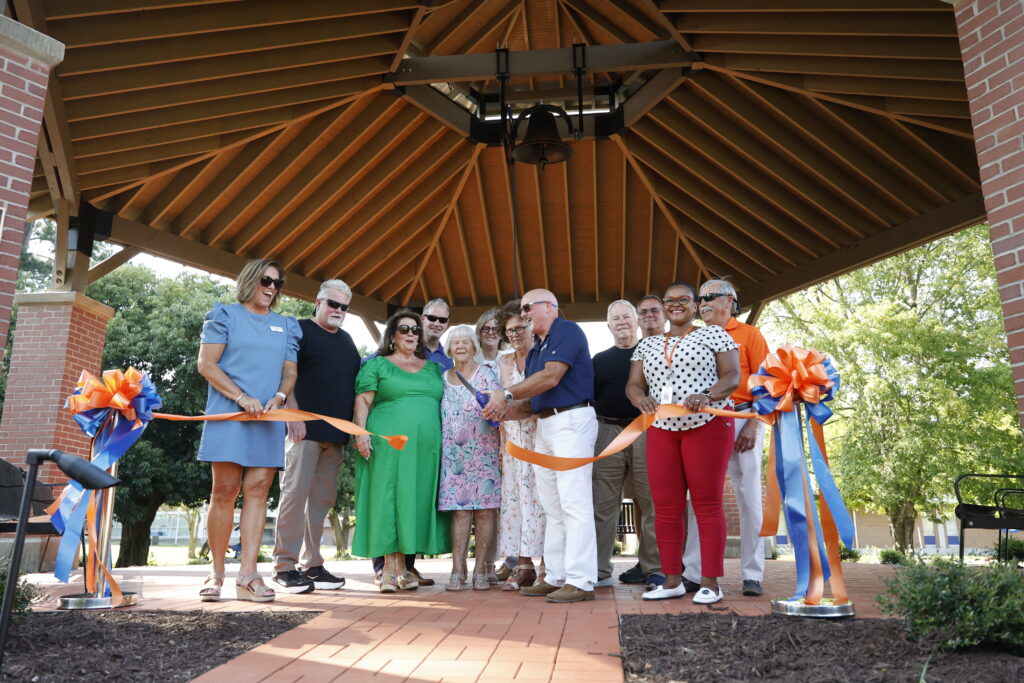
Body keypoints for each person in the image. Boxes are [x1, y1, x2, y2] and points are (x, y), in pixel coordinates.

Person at [626, 282, 739, 605]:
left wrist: (706, 396)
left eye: (683, 300)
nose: (676, 305)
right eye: (669, 301)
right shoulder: (646, 346)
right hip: (662, 427)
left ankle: (710, 582)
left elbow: (732, 377)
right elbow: (633, 384)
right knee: (665, 506)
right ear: (663, 308)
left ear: (695, 305)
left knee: (707, 503)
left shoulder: (714, 334)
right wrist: (640, 400)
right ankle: (671, 579)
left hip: (706, 424)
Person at [196, 258, 300, 603]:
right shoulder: (224, 316)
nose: (271, 288)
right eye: (265, 281)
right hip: (228, 413)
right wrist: (241, 397)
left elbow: (289, 372)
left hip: (267, 417)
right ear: (250, 281)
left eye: (277, 283)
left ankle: (249, 574)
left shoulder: (286, 326)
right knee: (224, 489)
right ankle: (216, 573)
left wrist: (280, 397)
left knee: (258, 489)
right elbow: (206, 365)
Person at [484, 289, 598, 603]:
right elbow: (532, 402)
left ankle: (581, 579)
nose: (523, 316)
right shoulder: (537, 349)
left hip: (572, 420)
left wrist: (505, 395)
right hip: (546, 424)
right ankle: (557, 575)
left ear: (548, 307)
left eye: (526, 309)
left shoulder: (567, 330)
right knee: (552, 505)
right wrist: (501, 411)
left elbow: (551, 378)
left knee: (574, 502)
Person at [271, 279, 360, 594]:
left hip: (335, 436)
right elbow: (284, 374)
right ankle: (284, 566)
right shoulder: (299, 330)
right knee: (294, 496)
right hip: (302, 431)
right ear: (318, 302)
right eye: (332, 303)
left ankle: (312, 564)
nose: (338, 310)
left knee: (321, 501)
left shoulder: (348, 341)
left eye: (343, 307)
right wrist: (293, 414)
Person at [682, 279, 770, 597]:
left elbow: (768, 382)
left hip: (742, 419)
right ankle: (694, 571)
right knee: (701, 498)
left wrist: (754, 424)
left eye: (710, 297)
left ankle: (752, 574)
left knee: (749, 498)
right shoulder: (691, 336)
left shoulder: (750, 335)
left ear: (729, 302)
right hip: (703, 423)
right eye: (699, 298)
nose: (702, 303)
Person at [353, 310, 450, 593]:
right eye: (404, 329)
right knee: (389, 501)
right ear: (392, 335)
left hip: (426, 451)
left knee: (413, 504)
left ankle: (405, 570)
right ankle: (388, 571)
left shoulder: (434, 368)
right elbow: (362, 402)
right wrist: (361, 434)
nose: (411, 334)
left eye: (415, 330)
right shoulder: (377, 365)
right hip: (388, 444)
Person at [591, 300, 663, 590]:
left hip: (646, 429)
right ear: (608, 326)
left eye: (626, 317)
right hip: (607, 431)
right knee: (602, 503)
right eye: (615, 318)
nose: (621, 322)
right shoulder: (598, 359)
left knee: (650, 502)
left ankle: (654, 568)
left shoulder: (653, 353)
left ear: (636, 322)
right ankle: (597, 569)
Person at [439, 325, 502, 590]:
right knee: (460, 514)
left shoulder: (487, 374)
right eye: (455, 343)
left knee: (486, 512)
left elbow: (500, 409)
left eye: (466, 342)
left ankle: (480, 571)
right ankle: (457, 569)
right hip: (454, 458)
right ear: (449, 348)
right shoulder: (443, 377)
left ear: (474, 346)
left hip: (484, 452)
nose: (461, 346)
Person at [618, 295, 667, 586]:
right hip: (634, 430)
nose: (649, 316)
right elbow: (633, 387)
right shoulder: (638, 350)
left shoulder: (681, 341)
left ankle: (666, 564)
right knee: (639, 499)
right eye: (643, 312)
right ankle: (647, 561)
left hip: (675, 425)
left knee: (660, 500)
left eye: (655, 311)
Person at [495, 300, 544, 591]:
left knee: (543, 502)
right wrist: (503, 447)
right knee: (517, 505)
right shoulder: (502, 362)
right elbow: (500, 408)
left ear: (531, 326)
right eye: (509, 330)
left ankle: (548, 565)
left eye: (519, 327)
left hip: (541, 438)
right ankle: (523, 564)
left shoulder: (542, 355)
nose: (514, 334)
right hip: (514, 442)